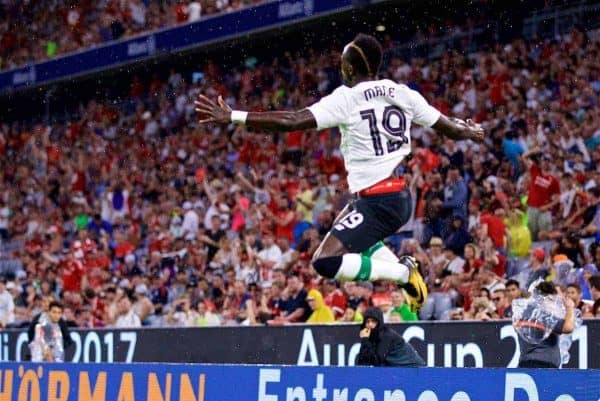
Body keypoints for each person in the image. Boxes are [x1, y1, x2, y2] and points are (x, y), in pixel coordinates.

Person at [196, 33, 485, 313]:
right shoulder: (403, 93)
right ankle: (403, 272)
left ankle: (403, 273)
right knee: (347, 226)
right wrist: (470, 131)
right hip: (397, 196)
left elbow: (292, 120)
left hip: (379, 201)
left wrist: (233, 116)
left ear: (348, 68)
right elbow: (451, 128)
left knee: (325, 262)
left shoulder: (348, 98)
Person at [513, 282, 575, 368]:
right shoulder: (543, 316)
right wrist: (570, 307)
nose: (556, 305)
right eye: (554, 300)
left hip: (525, 363)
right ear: (547, 298)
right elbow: (568, 327)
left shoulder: (525, 313)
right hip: (544, 366)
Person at [356, 307, 425, 367]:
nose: (370, 324)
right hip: (398, 369)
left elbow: (377, 362)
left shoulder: (386, 335)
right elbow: (362, 362)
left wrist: (365, 340)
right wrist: (364, 340)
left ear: (379, 322)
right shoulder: (369, 336)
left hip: (414, 368)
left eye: (373, 321)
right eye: (367, 322)